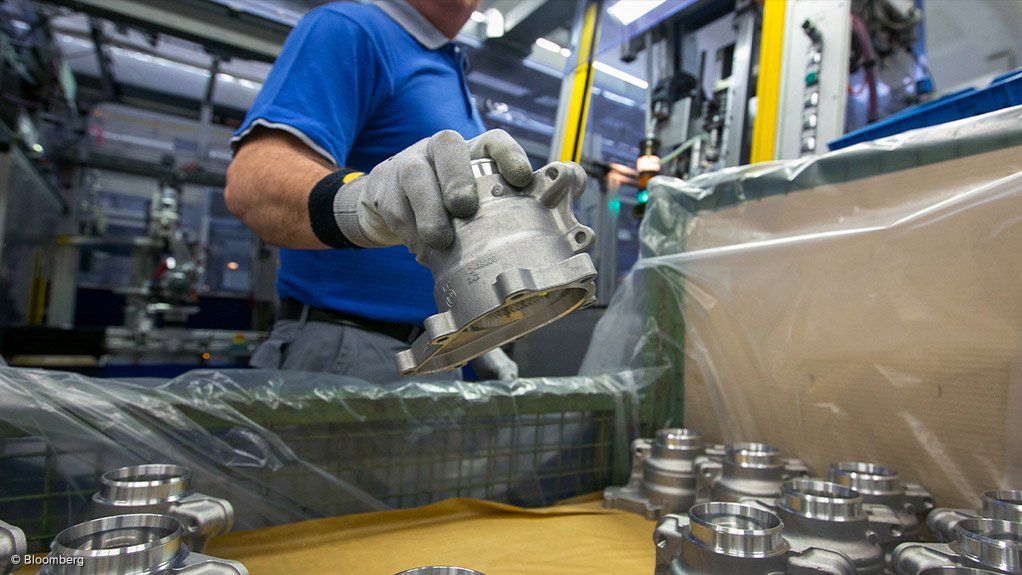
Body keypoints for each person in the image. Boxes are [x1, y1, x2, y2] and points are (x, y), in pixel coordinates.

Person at [225, 0, 532, 383]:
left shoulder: (447, 70)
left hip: (438, 350)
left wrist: (481, 333)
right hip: (348, 348)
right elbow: (252, 183)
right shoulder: (352, 28)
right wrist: (365, 207)